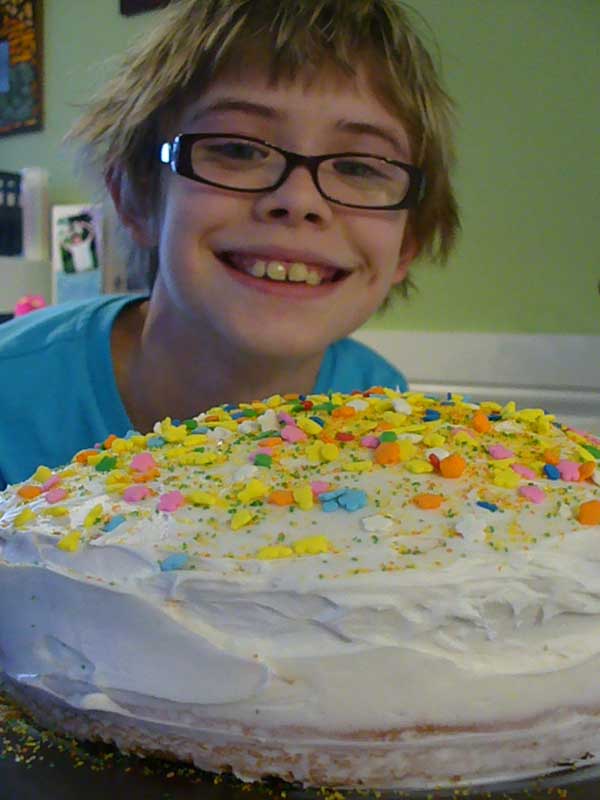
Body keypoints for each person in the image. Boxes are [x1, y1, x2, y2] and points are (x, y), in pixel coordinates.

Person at [0, 0, 459, 489]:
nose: (299, 200)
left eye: (359, 168)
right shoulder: (11, 392)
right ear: (136, 198)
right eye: (238, 150)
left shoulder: (377, 404)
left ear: (406, 246)